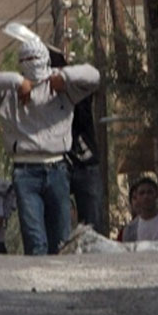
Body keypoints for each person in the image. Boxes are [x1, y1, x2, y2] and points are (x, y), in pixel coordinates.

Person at [0, 38, 100, 255]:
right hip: (25, 171)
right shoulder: (9, 93)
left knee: (62, 240)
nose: (32, 62)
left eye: (36, 57)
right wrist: (16, 81)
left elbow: (94, 76)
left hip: (57, 168)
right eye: (27, 59)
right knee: (35, 240)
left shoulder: (63, 89)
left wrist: (63, 76)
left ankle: (62, 276)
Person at [49, 48, 104, 234]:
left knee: (92, 225)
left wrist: (64, 78)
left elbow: (92, 76)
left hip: (85, 162)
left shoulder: (78, 89)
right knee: (59, 226)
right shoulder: (41, 99)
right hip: (57, 165)